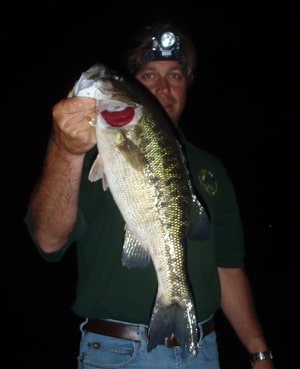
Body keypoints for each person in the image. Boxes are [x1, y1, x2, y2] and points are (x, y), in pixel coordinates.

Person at [24, 21, 274, 369]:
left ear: (187, 86)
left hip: (202, 351)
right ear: (134, 89)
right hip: (116, 354)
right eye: (148, 76)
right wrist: (66, 152)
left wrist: (259, 352)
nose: (163, 88)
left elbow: (228, 267)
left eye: (175, 76)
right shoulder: (84, 152)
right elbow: (48, 241)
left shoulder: (211, 169)